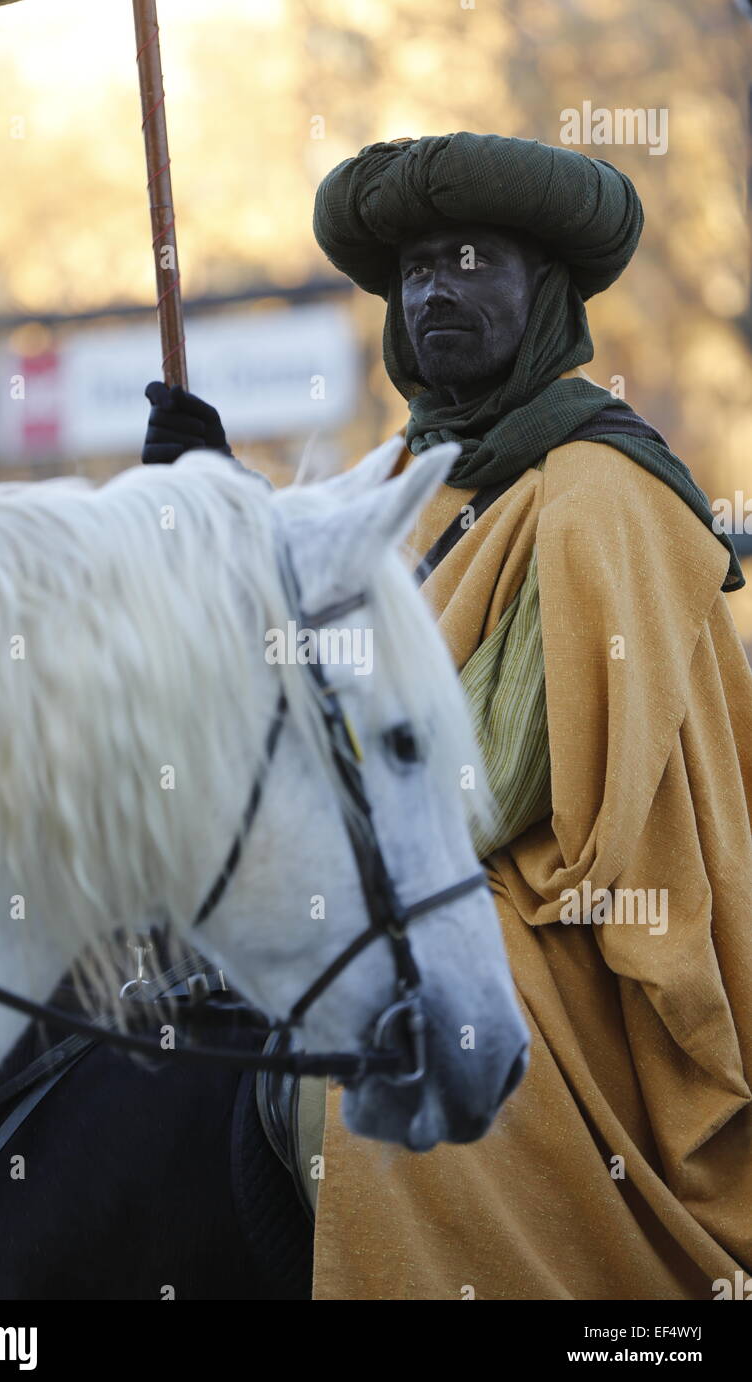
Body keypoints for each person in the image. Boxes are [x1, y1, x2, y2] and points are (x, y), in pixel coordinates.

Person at [143, 130, 752, 1300]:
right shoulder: (402, 479)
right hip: (422, 868)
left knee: (385, 1064)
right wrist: (209, 494)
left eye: (473, 262)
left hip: (577, 927)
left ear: (545, 293)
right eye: (417, 267)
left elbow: (486, 781)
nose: (434, 288)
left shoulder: (599, 494)